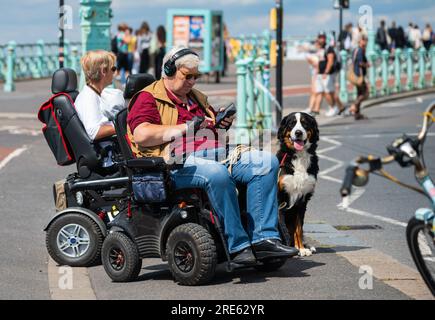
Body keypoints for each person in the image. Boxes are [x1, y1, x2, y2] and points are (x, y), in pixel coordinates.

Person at [126, 46, 298, 264]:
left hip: (214, 152)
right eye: (187, 76)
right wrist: (183, 128)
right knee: (216, 173)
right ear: (169, 70)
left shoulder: (196, 97)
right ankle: (237, 244)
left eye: (196, 76)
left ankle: (264, 239)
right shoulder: (147, 98)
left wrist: (221, 124)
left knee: (267, 162)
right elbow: (141, 134)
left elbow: (211, 132)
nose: (192, 82)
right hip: (173, 161)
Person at [75, 50, 123, 167]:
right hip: (107, 158)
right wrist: (124, 125)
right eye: (113, 68)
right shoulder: (89, 97)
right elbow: (94, 131)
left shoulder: (93, 93)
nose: (115, 72)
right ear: (103, 71)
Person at [311, 32, 344, 117]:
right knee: (320, 92)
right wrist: (317, 72)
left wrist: (326, 72)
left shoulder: (328, 48)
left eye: (322, 37)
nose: (321, 39)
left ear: (325, 38)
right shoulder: (320, 48)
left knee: (329, 92)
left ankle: (335, 107)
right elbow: (319, 61)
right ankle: (316, 110)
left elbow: (330, 61)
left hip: (328, 74)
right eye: (320, 37)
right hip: (320, 74)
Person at [349, 35, 369, 120]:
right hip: (359, 75)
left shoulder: (356, 50)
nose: (365, 42)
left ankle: (357, 113)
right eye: (363, 40)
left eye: (366, 40)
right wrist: (367, 65)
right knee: (365, 93)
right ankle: (354, 106)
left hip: (355, 74)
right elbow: (360, 63)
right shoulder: (360, 50)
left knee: (359, 93)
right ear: (360, 41)